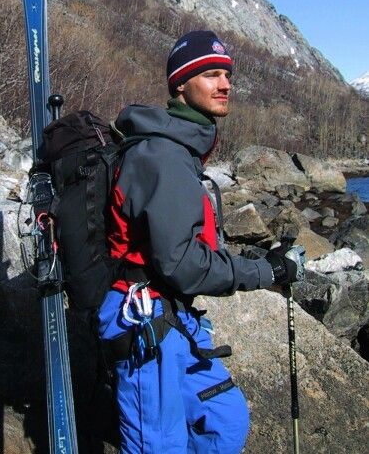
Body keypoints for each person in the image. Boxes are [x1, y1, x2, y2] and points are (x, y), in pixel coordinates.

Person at [98, 30, 303, 454]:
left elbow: (188, 247)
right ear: (180, 84)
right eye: (211, 75)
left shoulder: (180, 150)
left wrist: (259, 261)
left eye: (227, 75)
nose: (225, 84)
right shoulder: (163, 156)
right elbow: (183, 265)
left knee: (225, 422)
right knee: (161, 444)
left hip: (176, 314)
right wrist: (266, 272)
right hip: (145, 319)